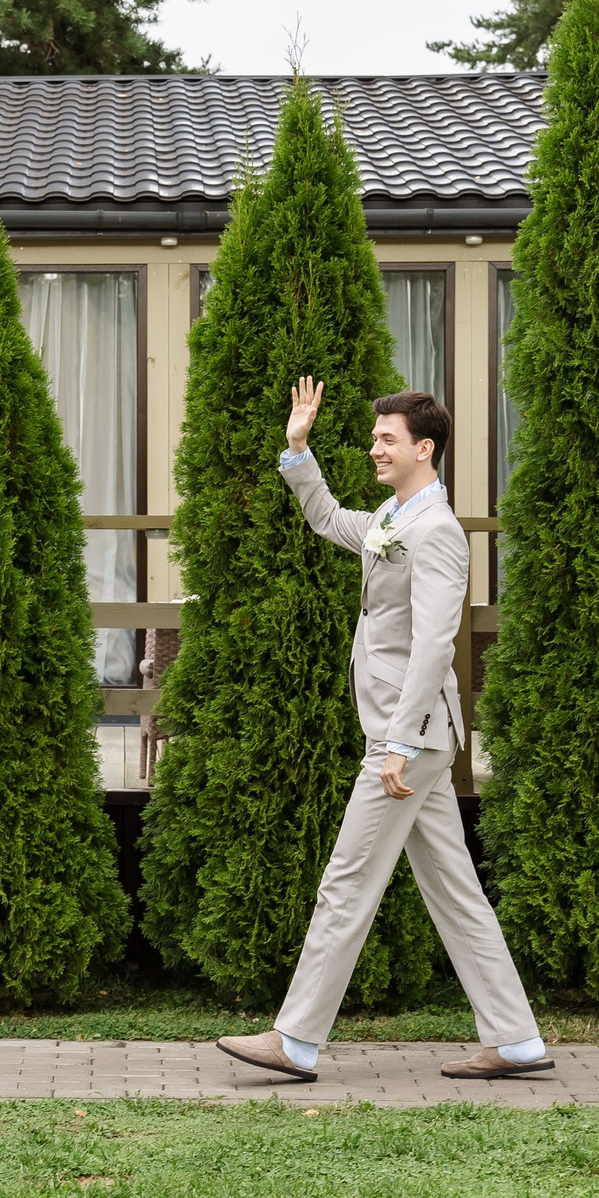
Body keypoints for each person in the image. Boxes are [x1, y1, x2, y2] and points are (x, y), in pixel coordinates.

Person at [215, 378, 552, 1083]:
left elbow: (434, 644)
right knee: (455, 891)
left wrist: (397, 743)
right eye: (374, 438)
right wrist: (297, 449)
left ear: (423, 448)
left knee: (345, 882)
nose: (375, 447)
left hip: (409, 738)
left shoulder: (437, 533)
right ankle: (517, 1038)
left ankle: (296, 1039)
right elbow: (329, 519)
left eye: (386, 438)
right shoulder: (395, 519)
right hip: (413, 736)